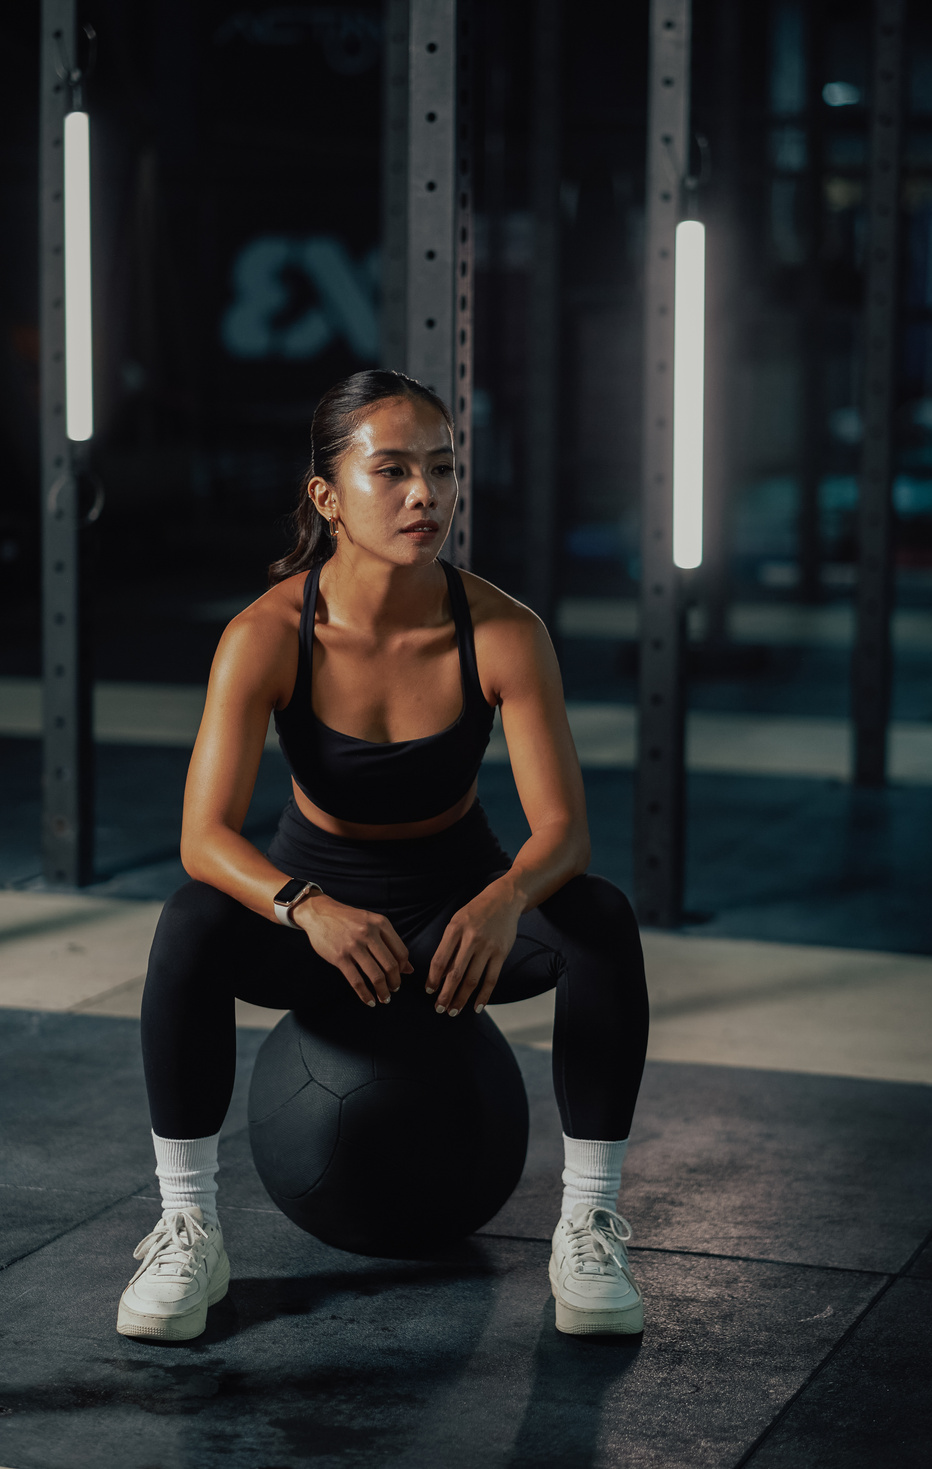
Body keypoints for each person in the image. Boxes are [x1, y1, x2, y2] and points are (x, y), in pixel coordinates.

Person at [117, 370, 650, 1343]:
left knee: (598, 919)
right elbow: (204, 838)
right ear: (327, 497)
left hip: (460, 903)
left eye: (442, 471)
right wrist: (304, 904)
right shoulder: (265, 635)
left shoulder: (503, 631)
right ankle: (186, 1222)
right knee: (189, 923)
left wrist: (502, 898)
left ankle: (589, 1222)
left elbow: (562, 831)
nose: (426, 496)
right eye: (393, 470)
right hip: (321, 913)